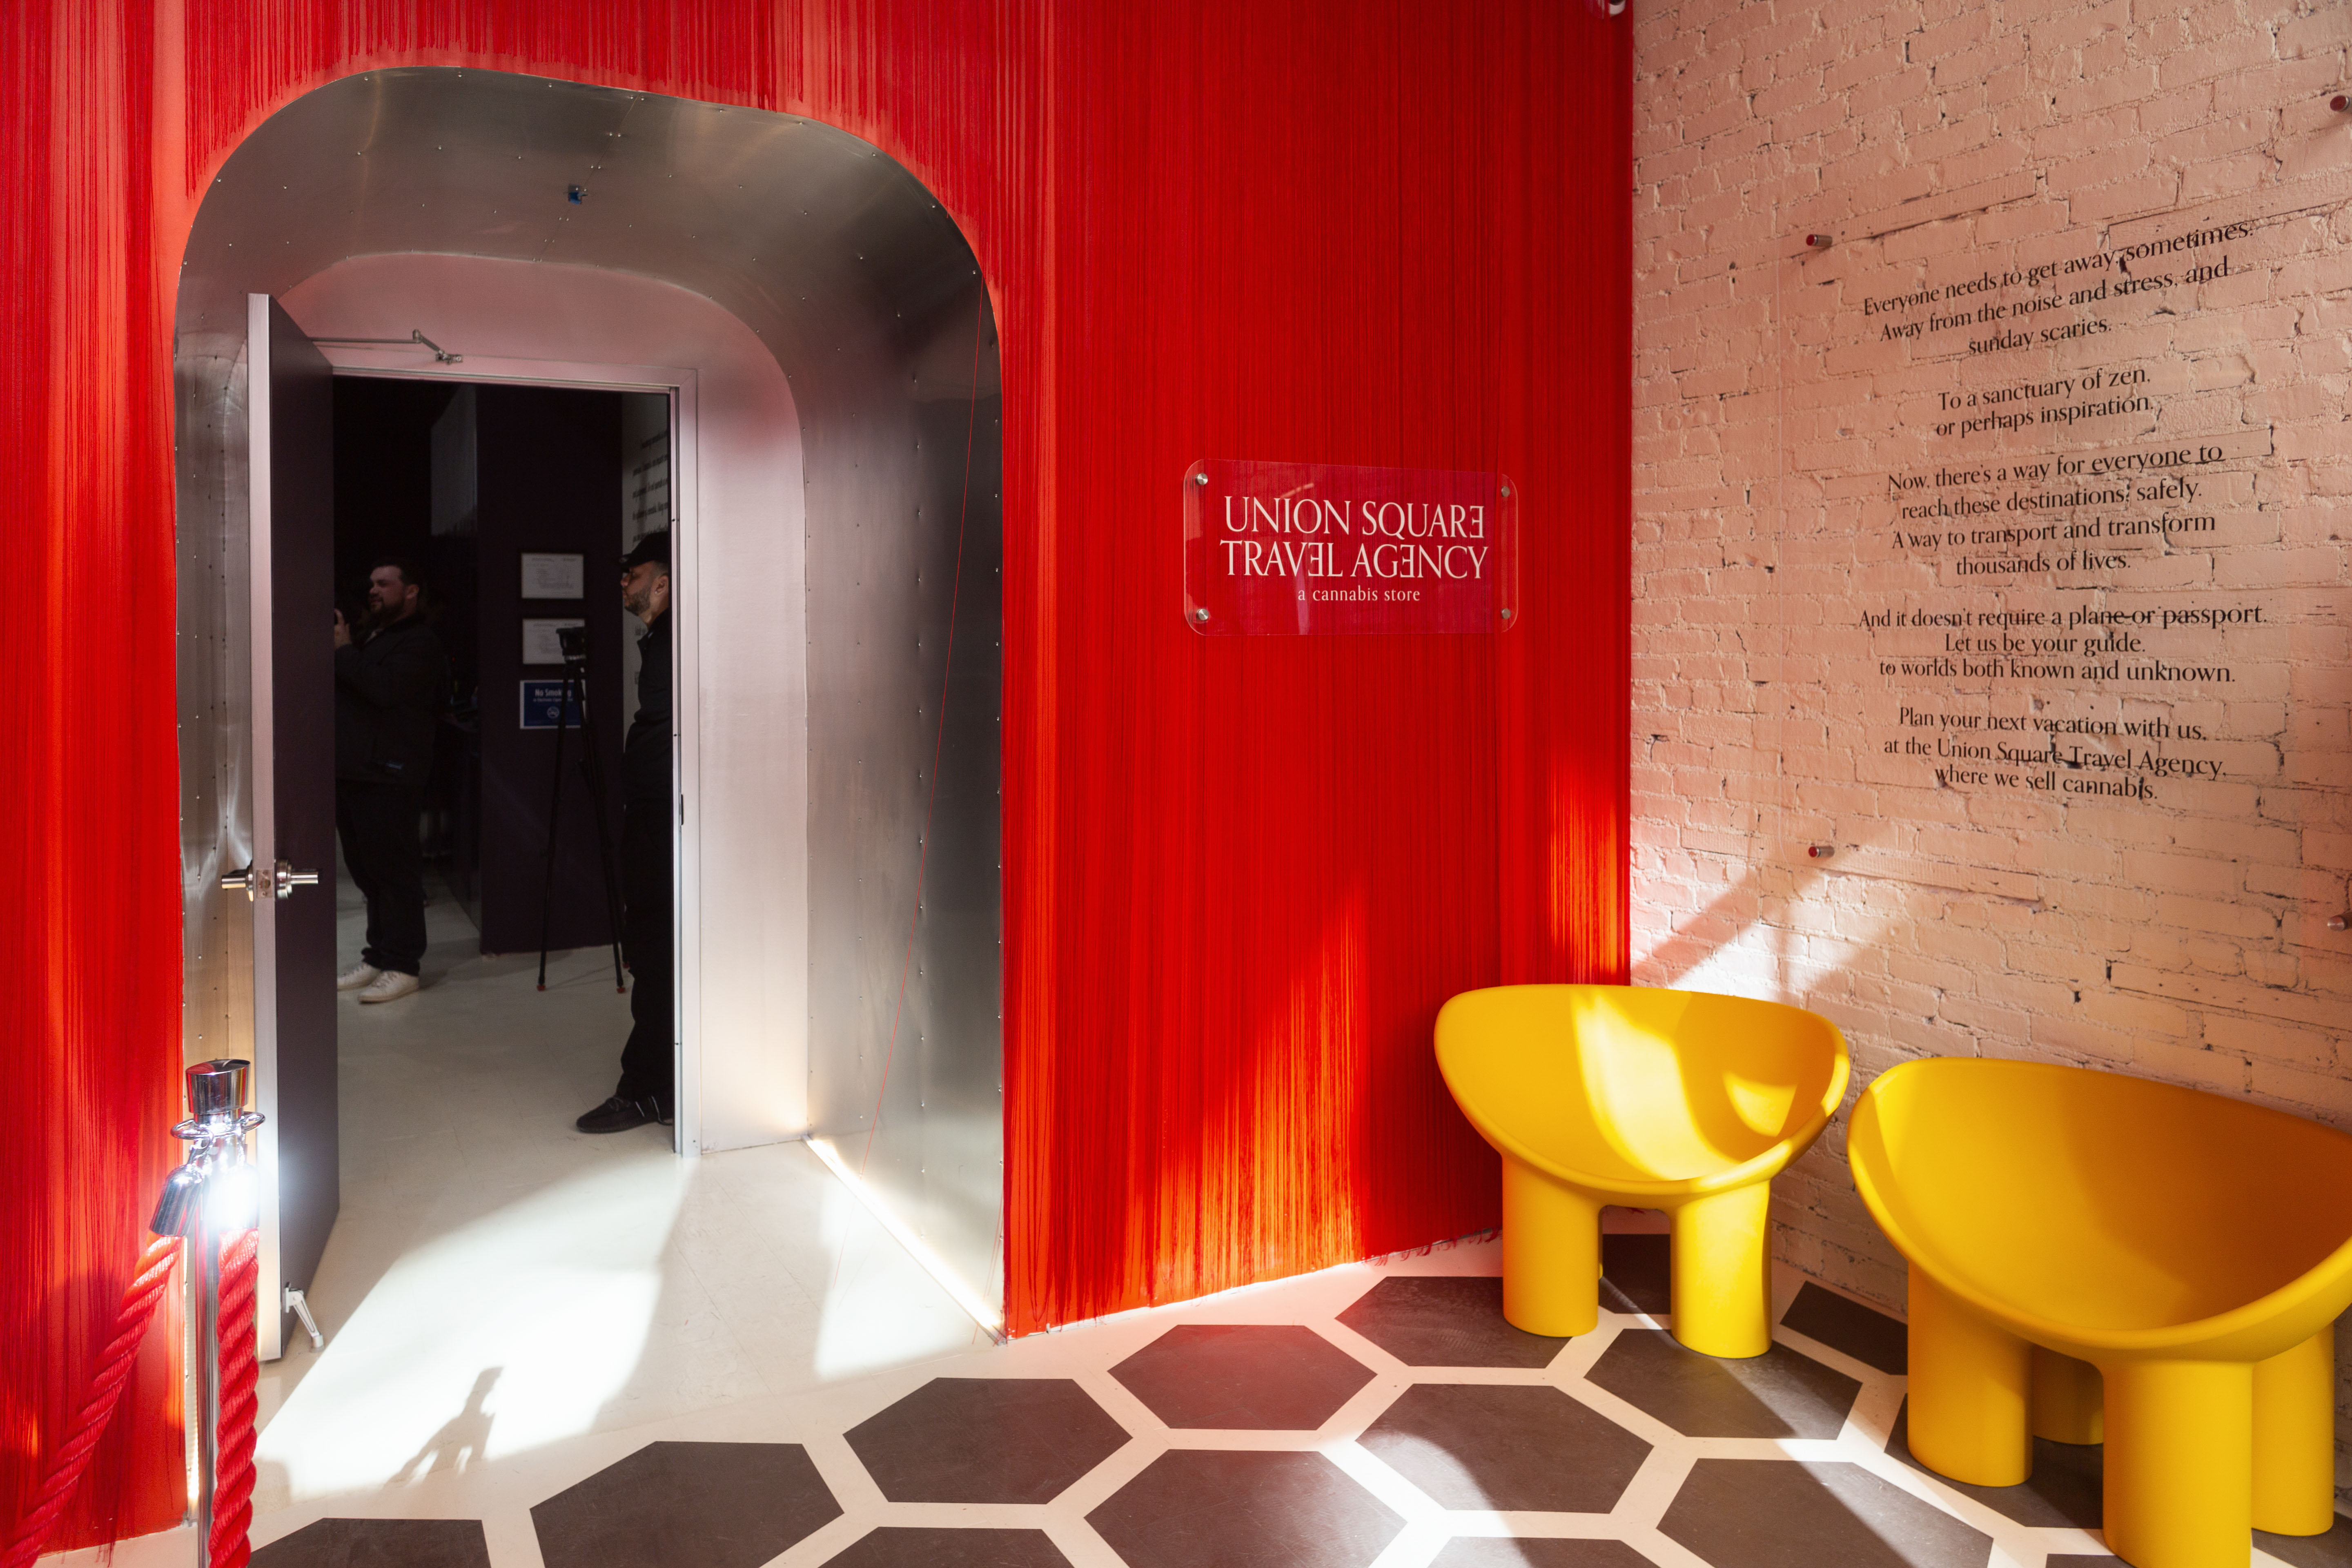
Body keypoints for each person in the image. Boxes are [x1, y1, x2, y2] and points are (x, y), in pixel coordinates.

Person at [577, 531, 675, 1133]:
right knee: (653, 951)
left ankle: (647, 1089)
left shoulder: (677, 643)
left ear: (662, 581)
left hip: (666, 824)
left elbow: (669, 730)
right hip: (654, 819)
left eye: (632, 572)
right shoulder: (661, 640)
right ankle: (656, 1084)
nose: (623, 581)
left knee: (658, 953)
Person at [333, 557, 449, 1003]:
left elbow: (383, 690)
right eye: (372, 584)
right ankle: (379, 954)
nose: (374, 590)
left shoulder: (421, 643)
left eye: (384, 583)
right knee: (367, 872)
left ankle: (404, 965)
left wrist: (344, 652)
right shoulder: (373, 637)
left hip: (391, 776)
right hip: (357, 773)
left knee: (395, 873)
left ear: (412, 590)